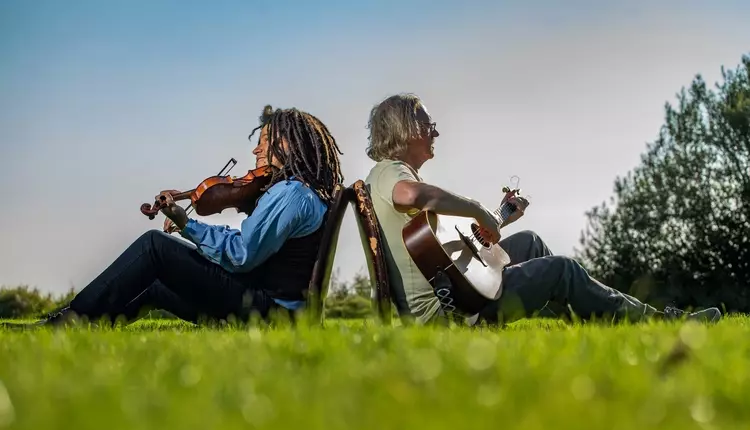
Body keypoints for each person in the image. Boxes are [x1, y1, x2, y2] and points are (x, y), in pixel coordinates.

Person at [362, 93, 721, 326]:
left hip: (455, 290)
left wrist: (499, 217)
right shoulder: (391, 174)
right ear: (407, 130)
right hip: (451, 312)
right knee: (562, 270)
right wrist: (477, 210)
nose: (436, 134)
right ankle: (657, 322)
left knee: (530, 242)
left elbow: (447, 253)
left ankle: (593, 319)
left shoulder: (391, 174)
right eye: (429, 126)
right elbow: (411, 194)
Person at [25, 104, 344, 327]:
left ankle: (71, 319)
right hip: (274, 305)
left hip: (271, 314)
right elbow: (248, 245)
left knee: (154, 245)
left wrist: (187, 225)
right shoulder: (302, 191)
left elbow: (241, 255)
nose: (256, 152)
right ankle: (84, 325)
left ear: (287, 143)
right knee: (155, 289)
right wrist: (189, 225)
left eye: (263, 142)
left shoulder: (289, 193)